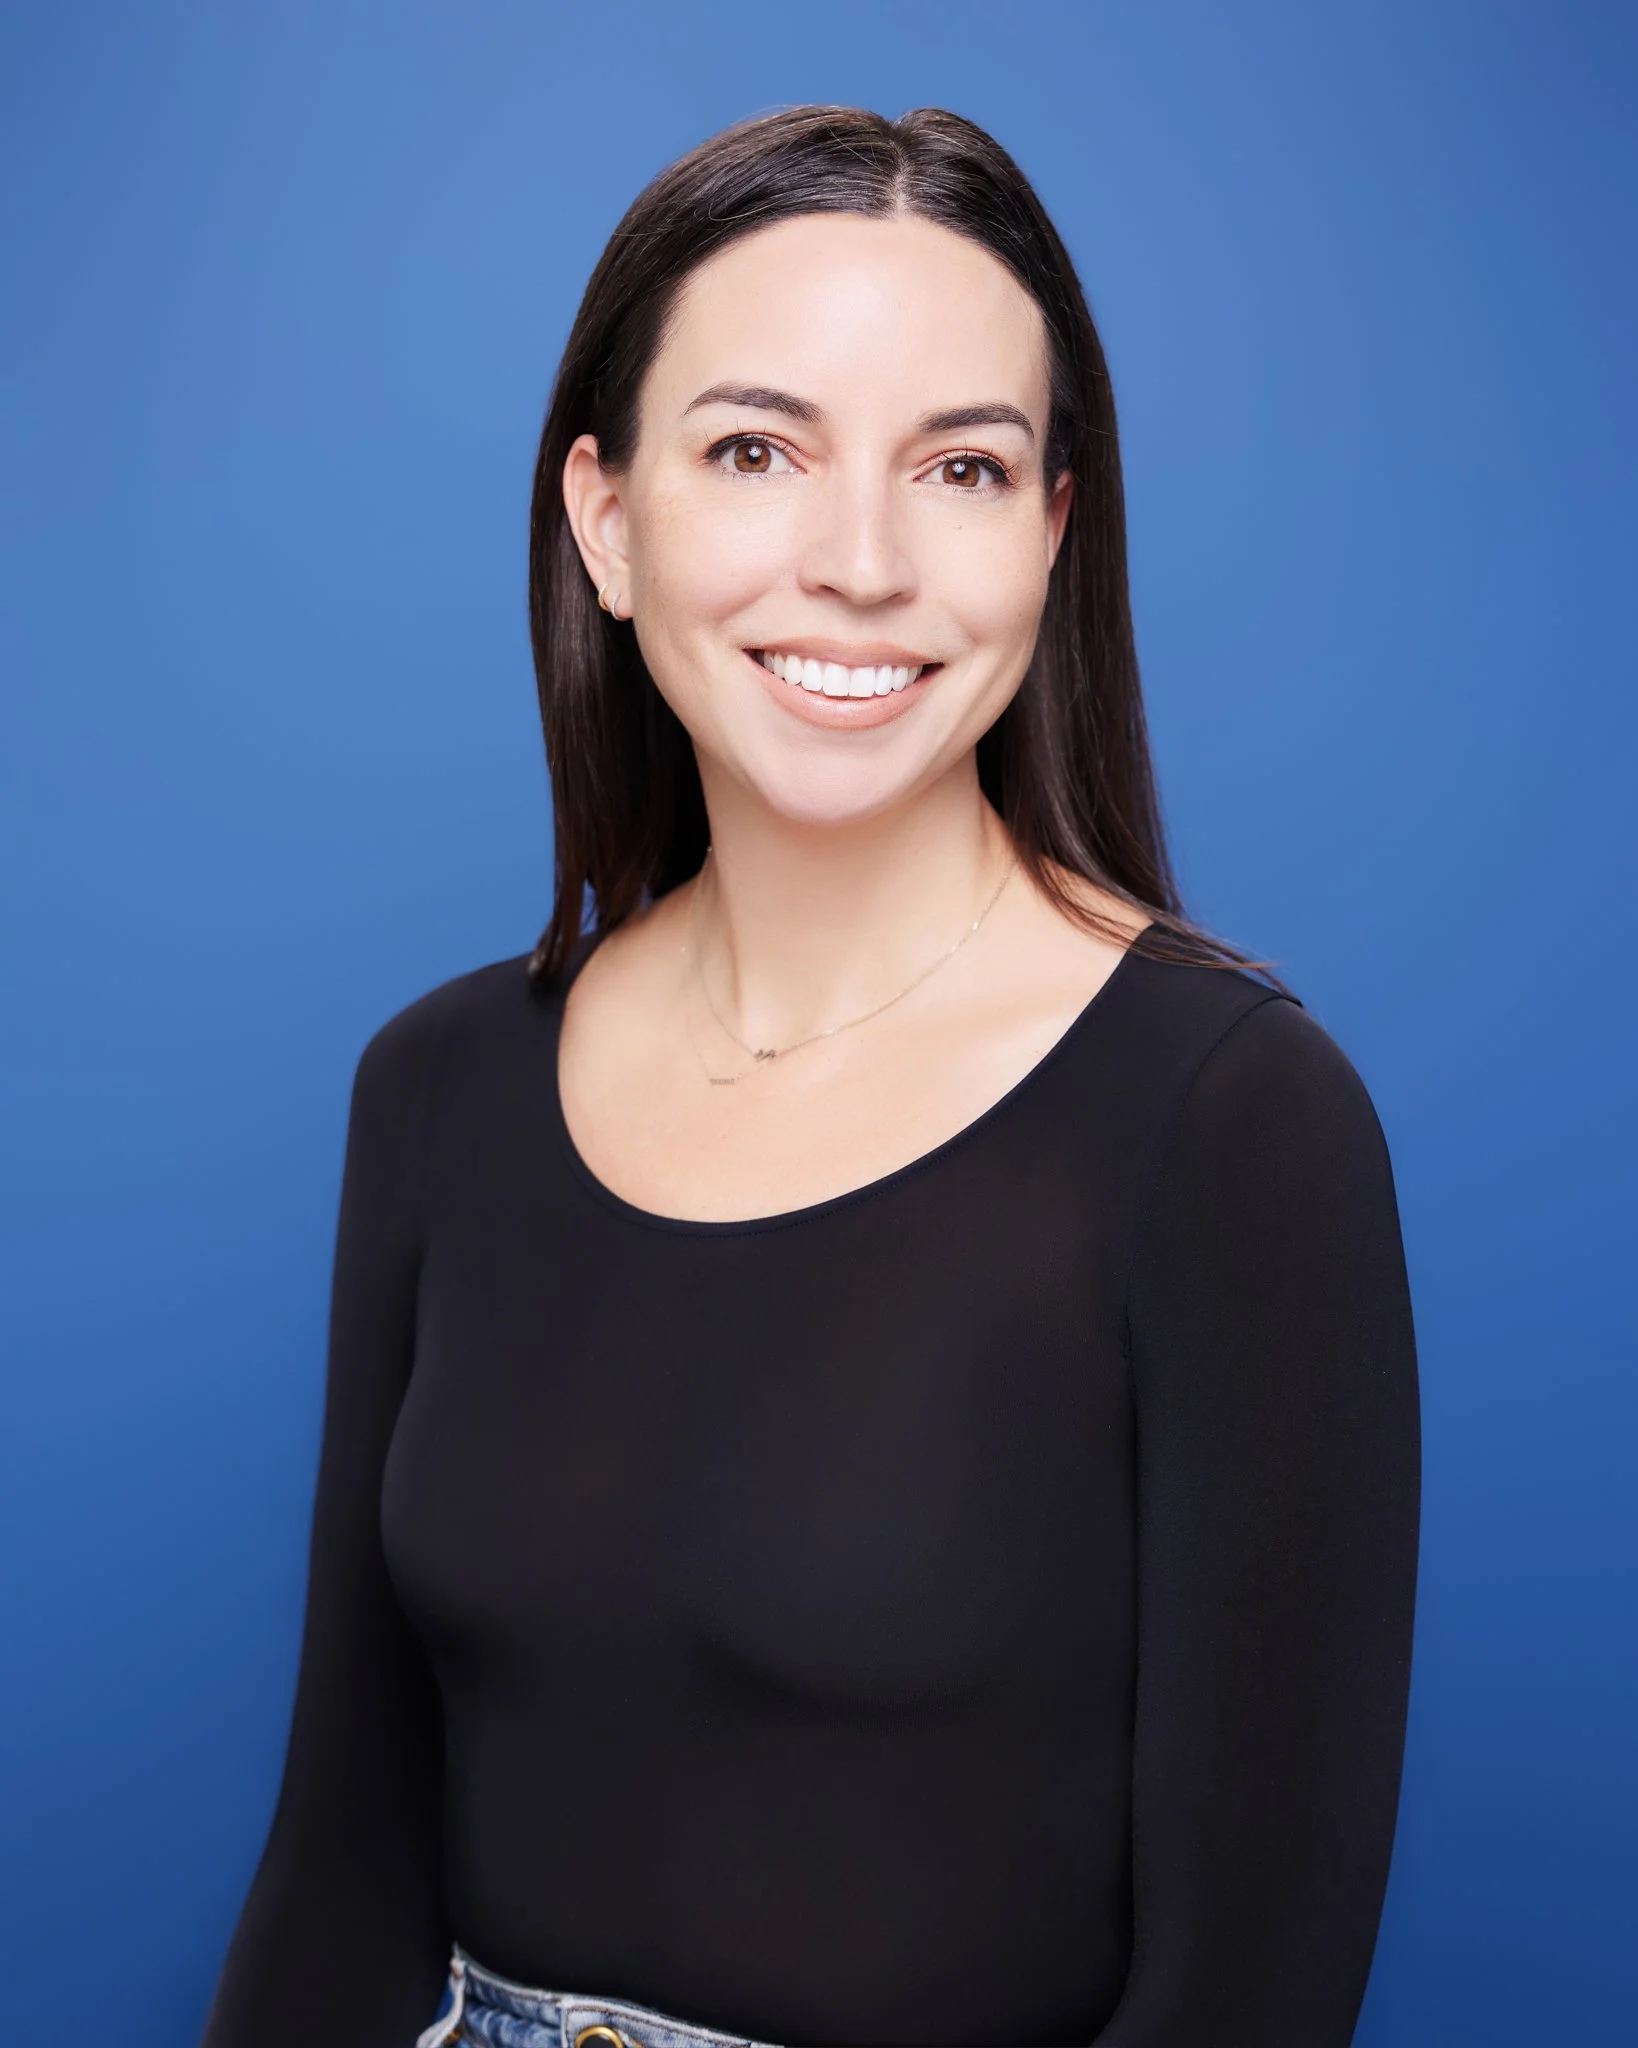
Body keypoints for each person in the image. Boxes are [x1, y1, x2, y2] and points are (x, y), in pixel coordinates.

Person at [200, 105, 1420, 2048]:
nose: (861, 564)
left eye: (961, 467)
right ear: (608, 519)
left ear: (1051, 534)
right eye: (757, 450)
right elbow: (337, 1868)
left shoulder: (1231, 1125)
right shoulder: (436, 1088)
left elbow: (1246, 1999)